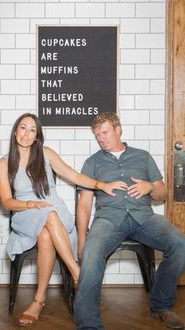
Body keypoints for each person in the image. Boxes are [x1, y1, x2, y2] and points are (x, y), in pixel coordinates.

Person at [0, 113, 116, 327]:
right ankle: (77, 273)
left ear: (37, 136)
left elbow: (74, 176)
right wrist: (30, 205)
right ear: (15, 131)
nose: (26, 133)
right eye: (23, 128)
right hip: (24, 213)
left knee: (46, 231)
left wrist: (101, 185)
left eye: (32, 130)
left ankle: (38, 301)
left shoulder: (46, 154)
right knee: (47, 216)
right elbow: (6, 202)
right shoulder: (3, 164)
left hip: (54, 211)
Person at [74, 112, 185, 330]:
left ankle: (161, 306)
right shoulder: (92, 162)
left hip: (143, 217)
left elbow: (163, 193)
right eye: (97, 135)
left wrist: (150, 187)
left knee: (180, 244)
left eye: (105, 132)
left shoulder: (142, 156)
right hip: (108, 219)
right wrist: (81, 239)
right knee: (91, 252)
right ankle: (89, 325)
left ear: (118, 129)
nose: (101, 139)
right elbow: (84, 203)